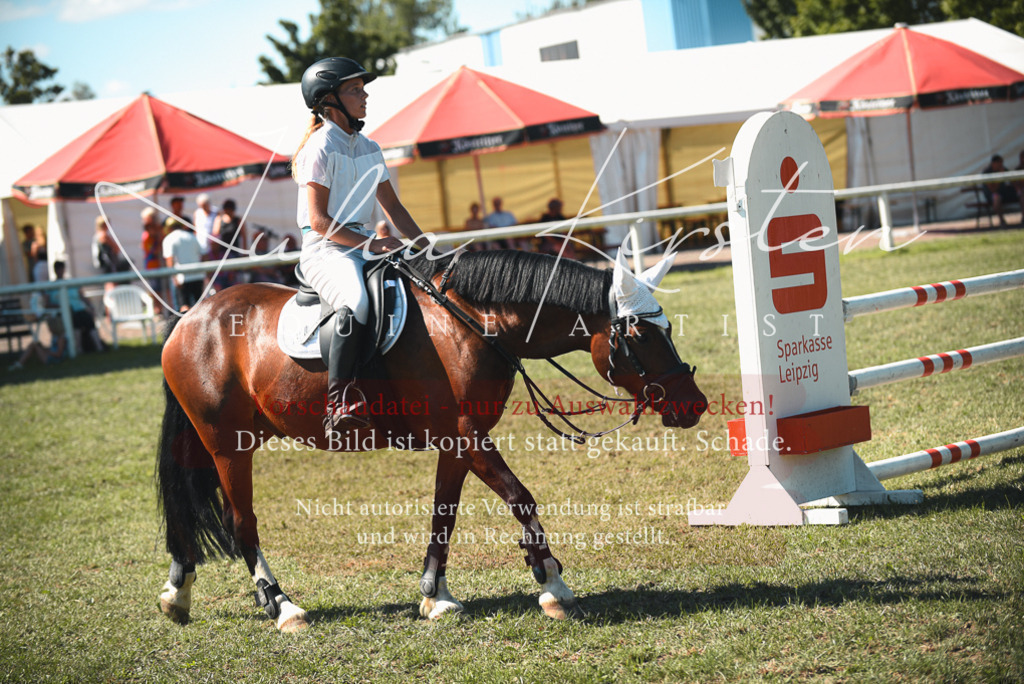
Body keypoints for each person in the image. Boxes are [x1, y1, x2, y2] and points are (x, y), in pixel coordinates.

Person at [293, 56, 427, 439]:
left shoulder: (369, 147)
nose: (364, 95)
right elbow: (318, 221)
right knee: (356, 302)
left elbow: (395, 208)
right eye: (355, 89)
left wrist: (426, 249)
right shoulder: (317, 149)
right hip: (326, 250)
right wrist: (375, 242)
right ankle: (339, 403)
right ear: (329, 99)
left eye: (362, 88)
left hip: (366, 246)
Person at [48, 261, 105, 353]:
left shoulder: (71, 283)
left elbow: (83, 296)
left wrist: (90, 306)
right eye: (58, 269)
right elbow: (47, 303)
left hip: (79, 310)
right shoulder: (51, 287)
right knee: (76, 320)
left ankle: (98, 346)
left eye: (61, 269)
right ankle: (78, 348)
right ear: (55, 270)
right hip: (65, 313)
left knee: (88, 319)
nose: (60, 271)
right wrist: (61, 306)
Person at [162, 218, 205, 312]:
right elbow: (203, 255)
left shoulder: (169, 239)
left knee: (183, 307)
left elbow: (170, 260)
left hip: (182, 278)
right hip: (198, 276)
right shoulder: (192, 236)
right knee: (200, 307)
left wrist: (174, 277)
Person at [209, 198, 246, 290]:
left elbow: (244, 237)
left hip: (234, 253)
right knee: (222, 279)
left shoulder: (238, 220)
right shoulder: (219, 220)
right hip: (222, 255)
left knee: (234, 279)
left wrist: (244, 253)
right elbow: (215, 236)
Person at [141, 207, 168, 311]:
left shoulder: (160, 230)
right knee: (155, 291)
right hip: (152, 266)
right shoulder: (146, 235)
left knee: (166, 288)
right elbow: (152, 250)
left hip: (161, 265)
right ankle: (158, 310)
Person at [982, 155, 1019, 227]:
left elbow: (1013, 181)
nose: (1001, 165)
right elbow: (993, 189)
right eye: (999, 163)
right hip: (992, 195)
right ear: (993, 163)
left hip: (1004, 193)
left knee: (1021, 194)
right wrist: (1000, 176)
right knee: (996, 197)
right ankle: (1002, 221)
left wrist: (1018, 189)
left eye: (1002, 163)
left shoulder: (1003, 169)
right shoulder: (987, 172)